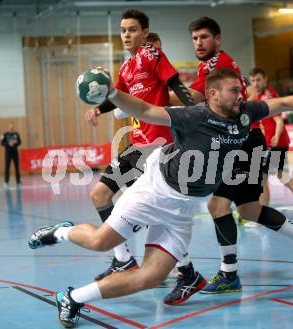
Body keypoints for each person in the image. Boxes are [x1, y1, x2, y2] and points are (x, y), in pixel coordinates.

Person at [28, 68, 293, 328]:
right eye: (234, 90)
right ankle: (61, 231)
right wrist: (113, 92)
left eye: (241, 90)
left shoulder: (245, 114)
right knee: (99, 242)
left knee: (149, 276)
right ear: (212, 94)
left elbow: (285, 102)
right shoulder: (193, 116)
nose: (241, 95)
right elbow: (145, 110)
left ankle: (71, 298)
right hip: (154, 190)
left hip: (184, 207)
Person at [163, 17, 293, 303]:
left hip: (240, 144)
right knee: (250, 210)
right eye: (194, 39)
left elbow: (194, 97)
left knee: (218, 205)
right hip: (244, 143)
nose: (198, 43)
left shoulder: (218, 66)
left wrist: (151, 91)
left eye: (204, 37)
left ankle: (229, 276)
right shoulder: (210, 66)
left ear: (218, 39)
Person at [83, 9, 195, 282]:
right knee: (99, 195)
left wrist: (194, 112)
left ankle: (187, 271)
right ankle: (123, 259)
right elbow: (115, 95)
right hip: (136, 147)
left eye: (132, 29)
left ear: (145, 32)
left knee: (157, 214)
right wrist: (99, 109)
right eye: (123, 30)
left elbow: (175, 83)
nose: (126, 35)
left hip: (159, 148)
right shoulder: (125, 68)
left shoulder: (152, 55)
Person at [249, 67, 293, 225]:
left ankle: (260, 216)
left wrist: (275, 136)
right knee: (278, 175)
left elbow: (279, 120)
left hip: (274, 143)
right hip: (273, 143)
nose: (255, 83)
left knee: (264, 177)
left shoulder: (268, 96)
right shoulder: (257, 96)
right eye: (252, 80)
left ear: (265, 80)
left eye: (258, 79)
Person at [0, 123, 21, 188]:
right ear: (8, 128)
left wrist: (15, 142)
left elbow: (20, 142)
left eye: (12, 127)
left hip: (15, 153)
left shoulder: (16, 134)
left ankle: (18, 181)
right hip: (8, 153)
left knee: (17, 167)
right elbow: (1, 143)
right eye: (10, 127)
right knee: (7, 167)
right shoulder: (5, 135)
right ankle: (6, 182)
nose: (11, 128)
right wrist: (8, 143)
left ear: (13, 127)